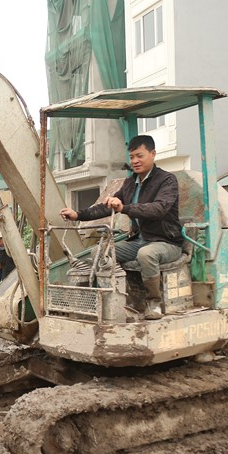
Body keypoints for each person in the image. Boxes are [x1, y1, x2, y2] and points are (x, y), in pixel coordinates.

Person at [59, 135, 183, 320]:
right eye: (132, 157)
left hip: (166, 242)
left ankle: (154, 303)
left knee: (146, 254)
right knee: (100, 253)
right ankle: (115, 299)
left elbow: (159, 208)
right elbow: (106, 206)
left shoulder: (167, 180)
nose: (135, 161)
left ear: (153, 154)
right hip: (140, 241)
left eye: (139, 156)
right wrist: (78, 214)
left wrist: (124, 208)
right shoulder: (130, 183)